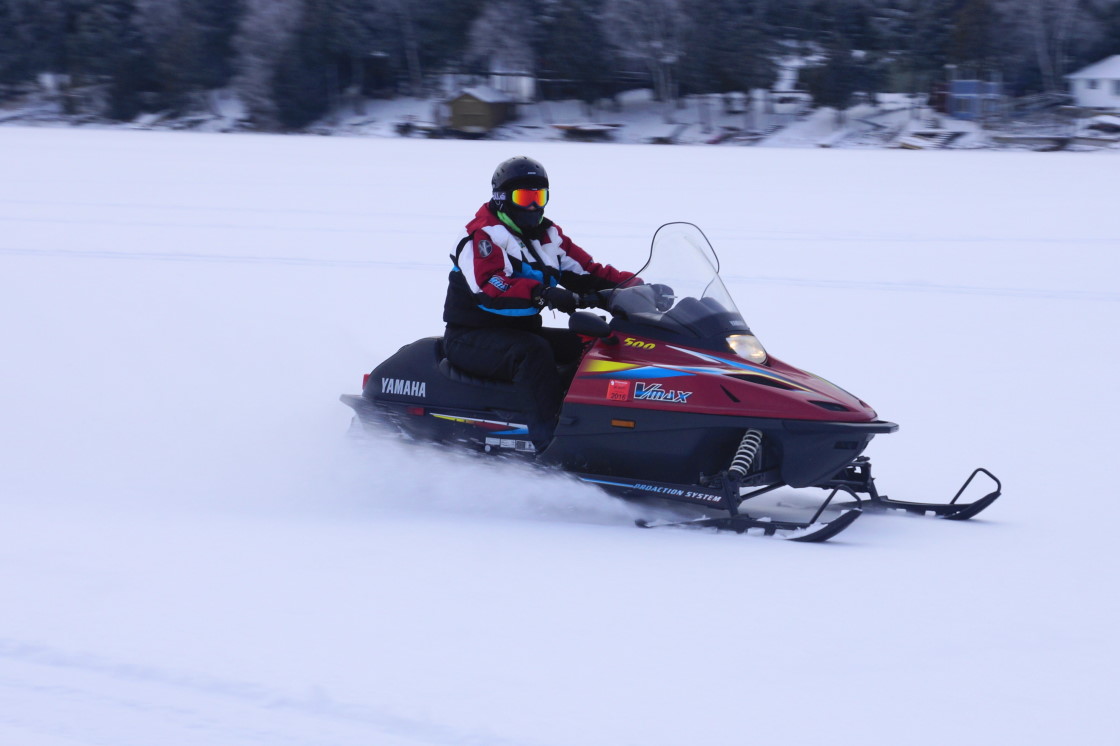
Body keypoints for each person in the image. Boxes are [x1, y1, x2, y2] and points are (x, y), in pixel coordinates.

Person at [442, 156, 636, 448]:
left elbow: (588, 272)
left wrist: (635, 287)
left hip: (519, 331)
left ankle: (592, 426)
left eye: (539, 196)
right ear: (503, 198)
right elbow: (491, 285)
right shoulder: (482, 236)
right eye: (525, 197)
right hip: (471, 336)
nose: (534, 205)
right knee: (533, 353)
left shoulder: (548, 235)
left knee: (592, 344)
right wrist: (541, 293)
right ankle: (548, 444)